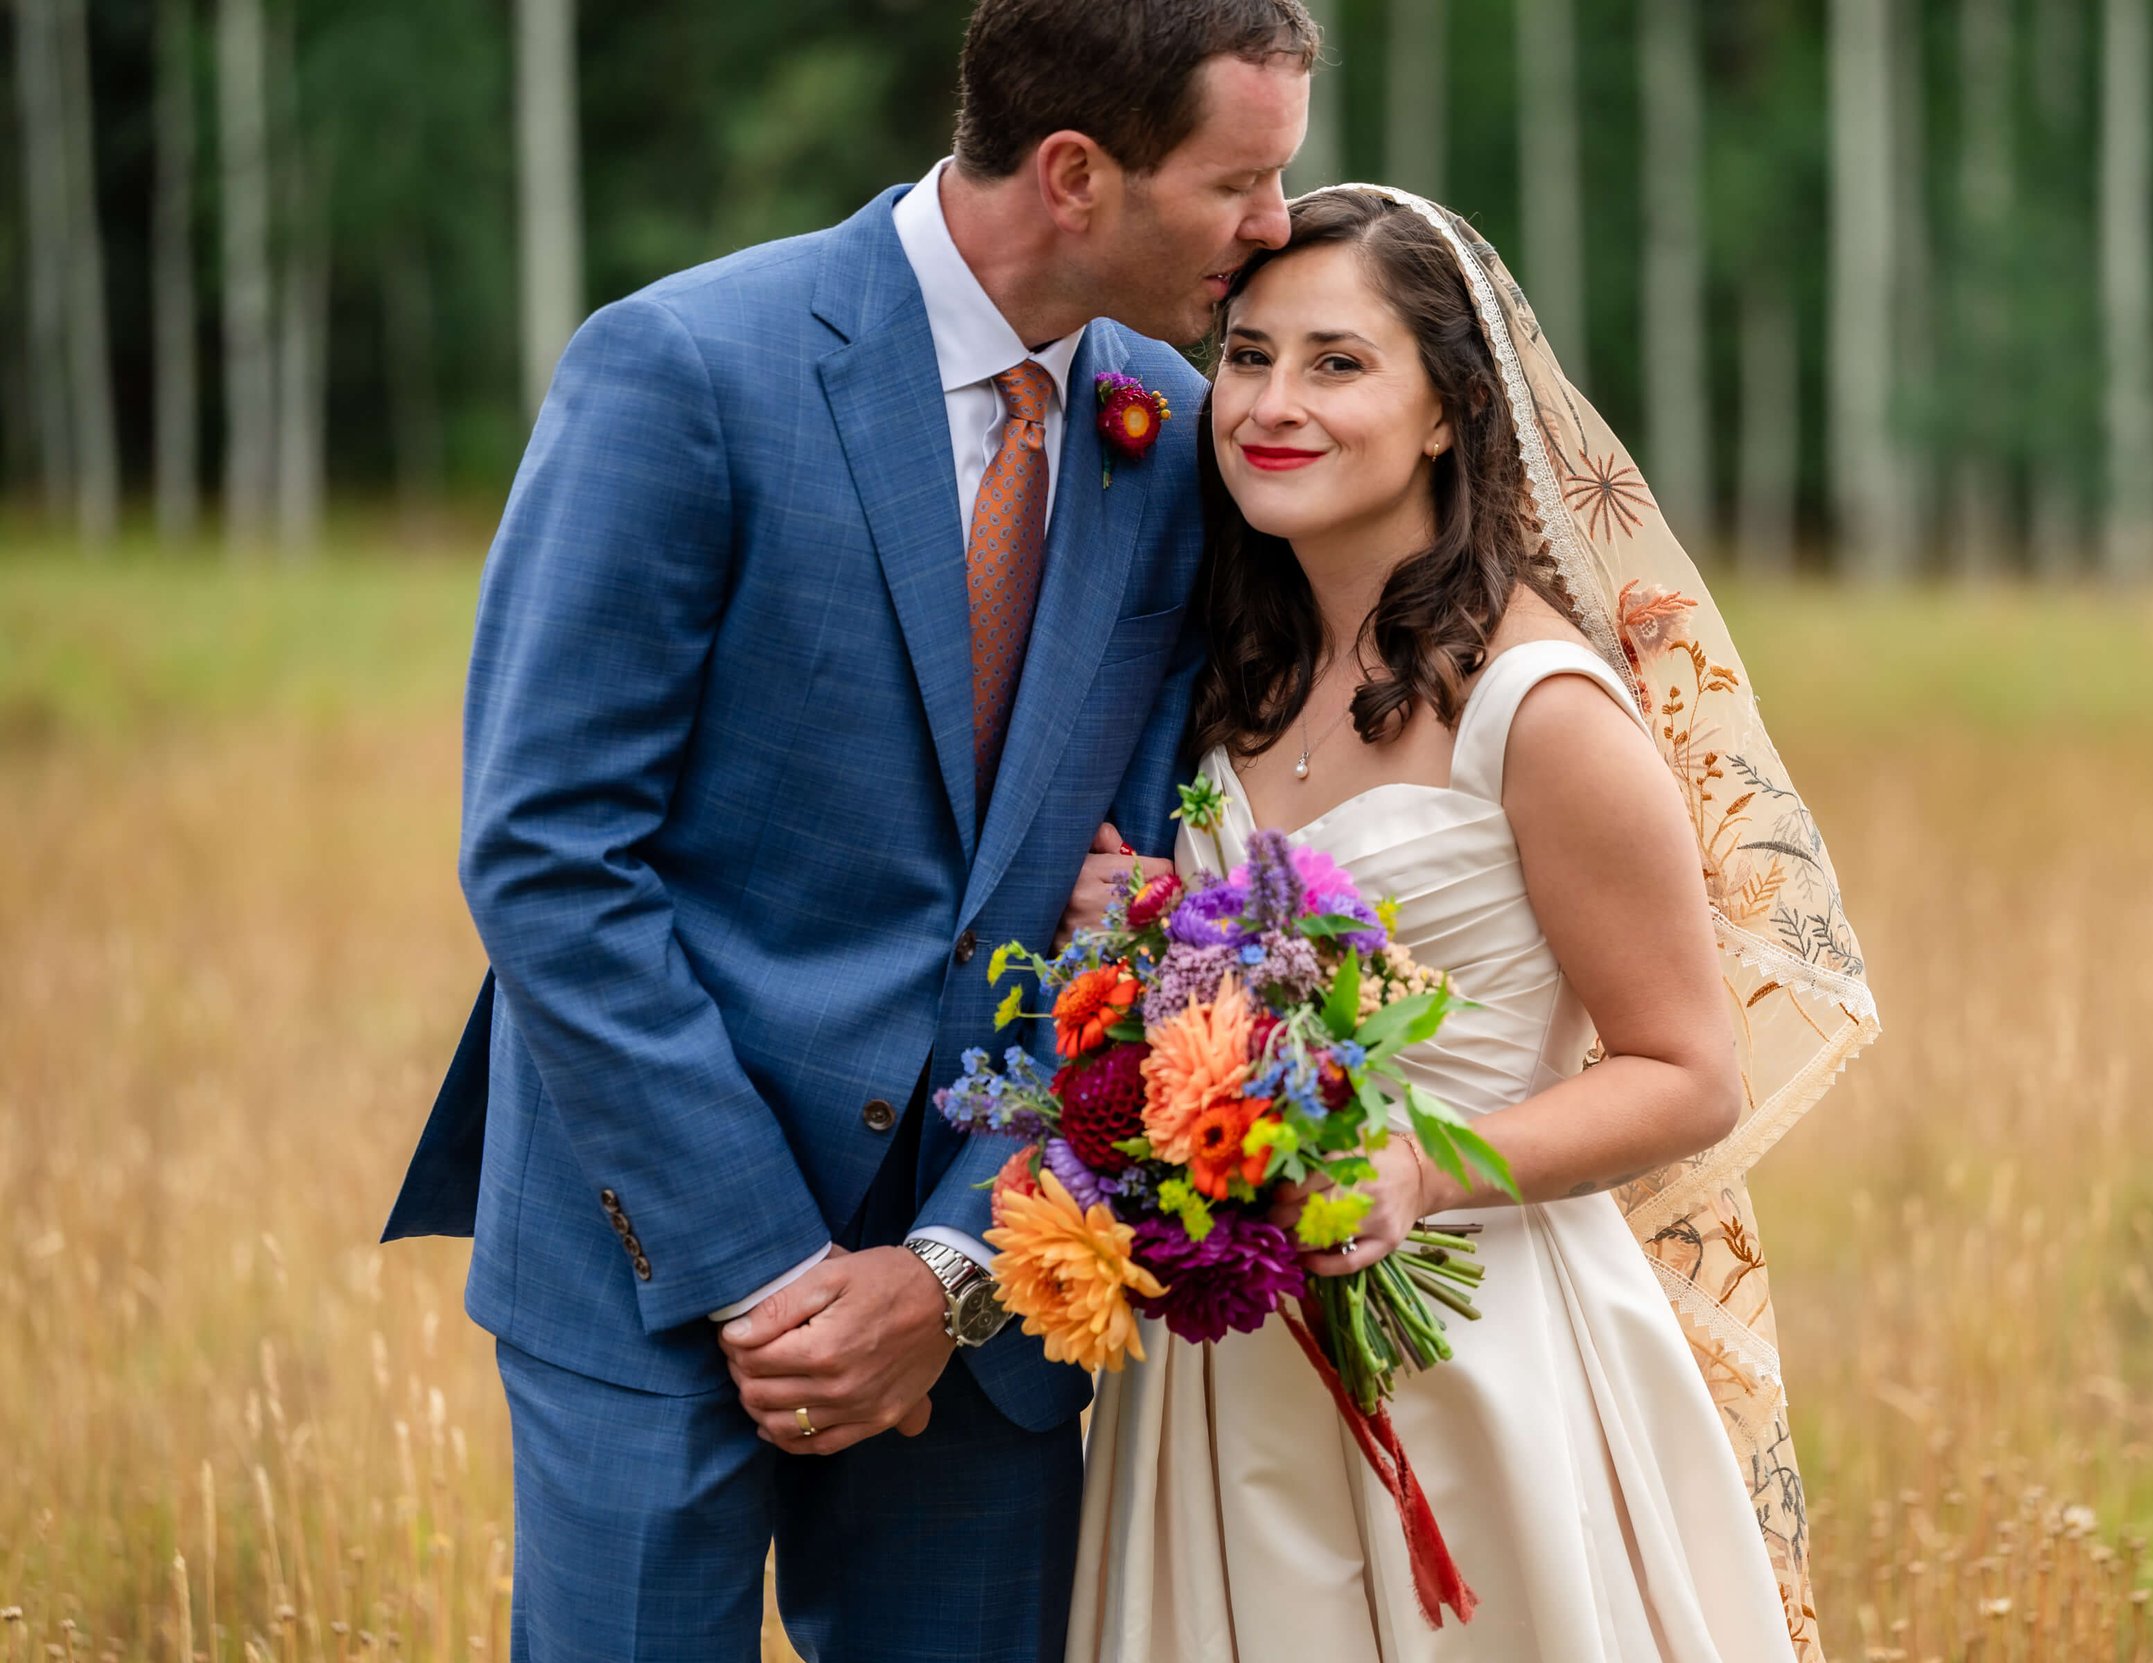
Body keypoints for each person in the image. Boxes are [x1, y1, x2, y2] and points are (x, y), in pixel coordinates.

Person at [379, 3, 1316, 1657]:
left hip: (990, 1297)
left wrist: (951, 1271)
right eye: (1244, 180)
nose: (1278, 227)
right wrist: (767, 1270)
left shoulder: (1176, 437)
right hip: (651, 1253)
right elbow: (545, 851)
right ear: (1079, 174)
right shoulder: (686, 369)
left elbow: (1145, 900)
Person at [1064, 187, 1880, 1661]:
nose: (1270, 404)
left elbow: (1688, 1072)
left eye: (1336, 363)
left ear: (1449, 409)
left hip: (1482, 1354)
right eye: (1246, 357)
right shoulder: (1234, 678)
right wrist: (1145, 934)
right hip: (1224, 1371)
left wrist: (1419, 1170)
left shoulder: (1539, 704)